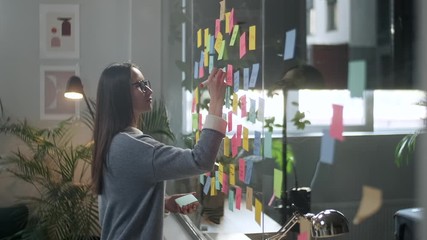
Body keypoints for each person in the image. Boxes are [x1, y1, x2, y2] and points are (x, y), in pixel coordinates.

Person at [91, 62, 227, 240]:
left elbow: (123, 200)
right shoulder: (135, 147)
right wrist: (216, 101)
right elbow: (200, 160)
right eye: (140, 86)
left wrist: (166, 203)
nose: (149, 90)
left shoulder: (111, 140)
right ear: (121, 96)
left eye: (146, 83)